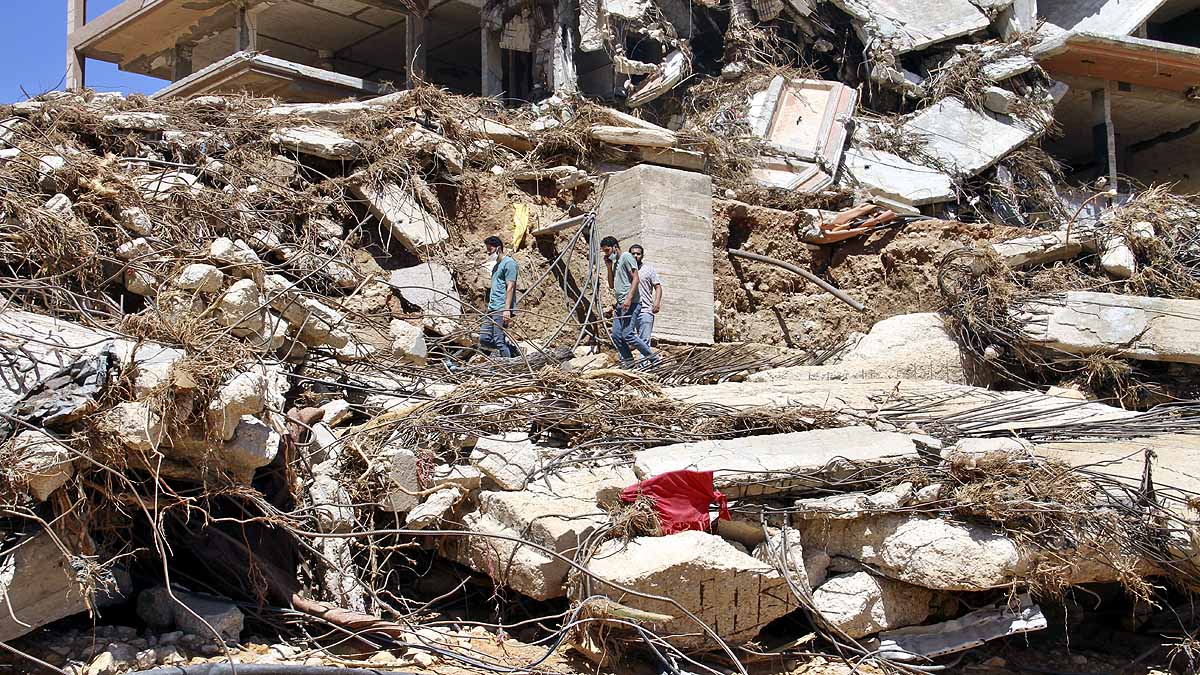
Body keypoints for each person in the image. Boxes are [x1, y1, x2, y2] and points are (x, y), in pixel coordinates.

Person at [601, 236, 657, 367]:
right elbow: (611, 284)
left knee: (628, 334)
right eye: (604, 252)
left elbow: (636, 278)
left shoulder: (626, 257)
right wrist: (609, 267)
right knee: (616, 336)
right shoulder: (616, 262)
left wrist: (629, 298)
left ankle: (653, 358)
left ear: (615, 247)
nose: (607, 254)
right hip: (621, 305)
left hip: (631, 304)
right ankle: (629, 362)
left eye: (608, 250)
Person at [479, 235, 518, 357]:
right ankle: (512, 351)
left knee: (499, 341)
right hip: (492, 308)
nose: (488, 252)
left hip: (501, 308)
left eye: (490, 249)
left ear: (498, 248)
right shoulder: (496, 266)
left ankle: (508, 367)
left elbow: (510, 287)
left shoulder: (510, 264)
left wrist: (507, 310)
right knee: (484, 339)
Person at [628, 244, 662, 345]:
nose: (635, 256)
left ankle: (644, 361)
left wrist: (656, 303)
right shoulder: (625, 269)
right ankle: (626, 361)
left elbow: (658, 286)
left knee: (645, 341)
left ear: (642, 255)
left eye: (638, 254)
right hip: (629, 310)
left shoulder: (649, 270)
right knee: (626, 339)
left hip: (645, 310)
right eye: (633, 253)